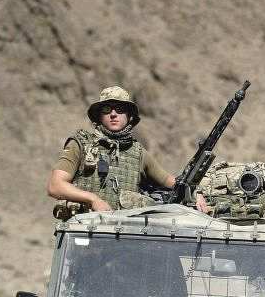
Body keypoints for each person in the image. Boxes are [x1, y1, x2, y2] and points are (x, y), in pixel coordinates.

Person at [47, 85, 177, 213]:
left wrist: (196, 193)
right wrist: (93, 200)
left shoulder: (138, 153)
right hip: (83, 230)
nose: (113, 114)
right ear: (99, 116)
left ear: (129, 116)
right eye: (107, 109)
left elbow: (171, 182)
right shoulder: (80, 145)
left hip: (124, 231)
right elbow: (55, 186)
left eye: (120, 109)